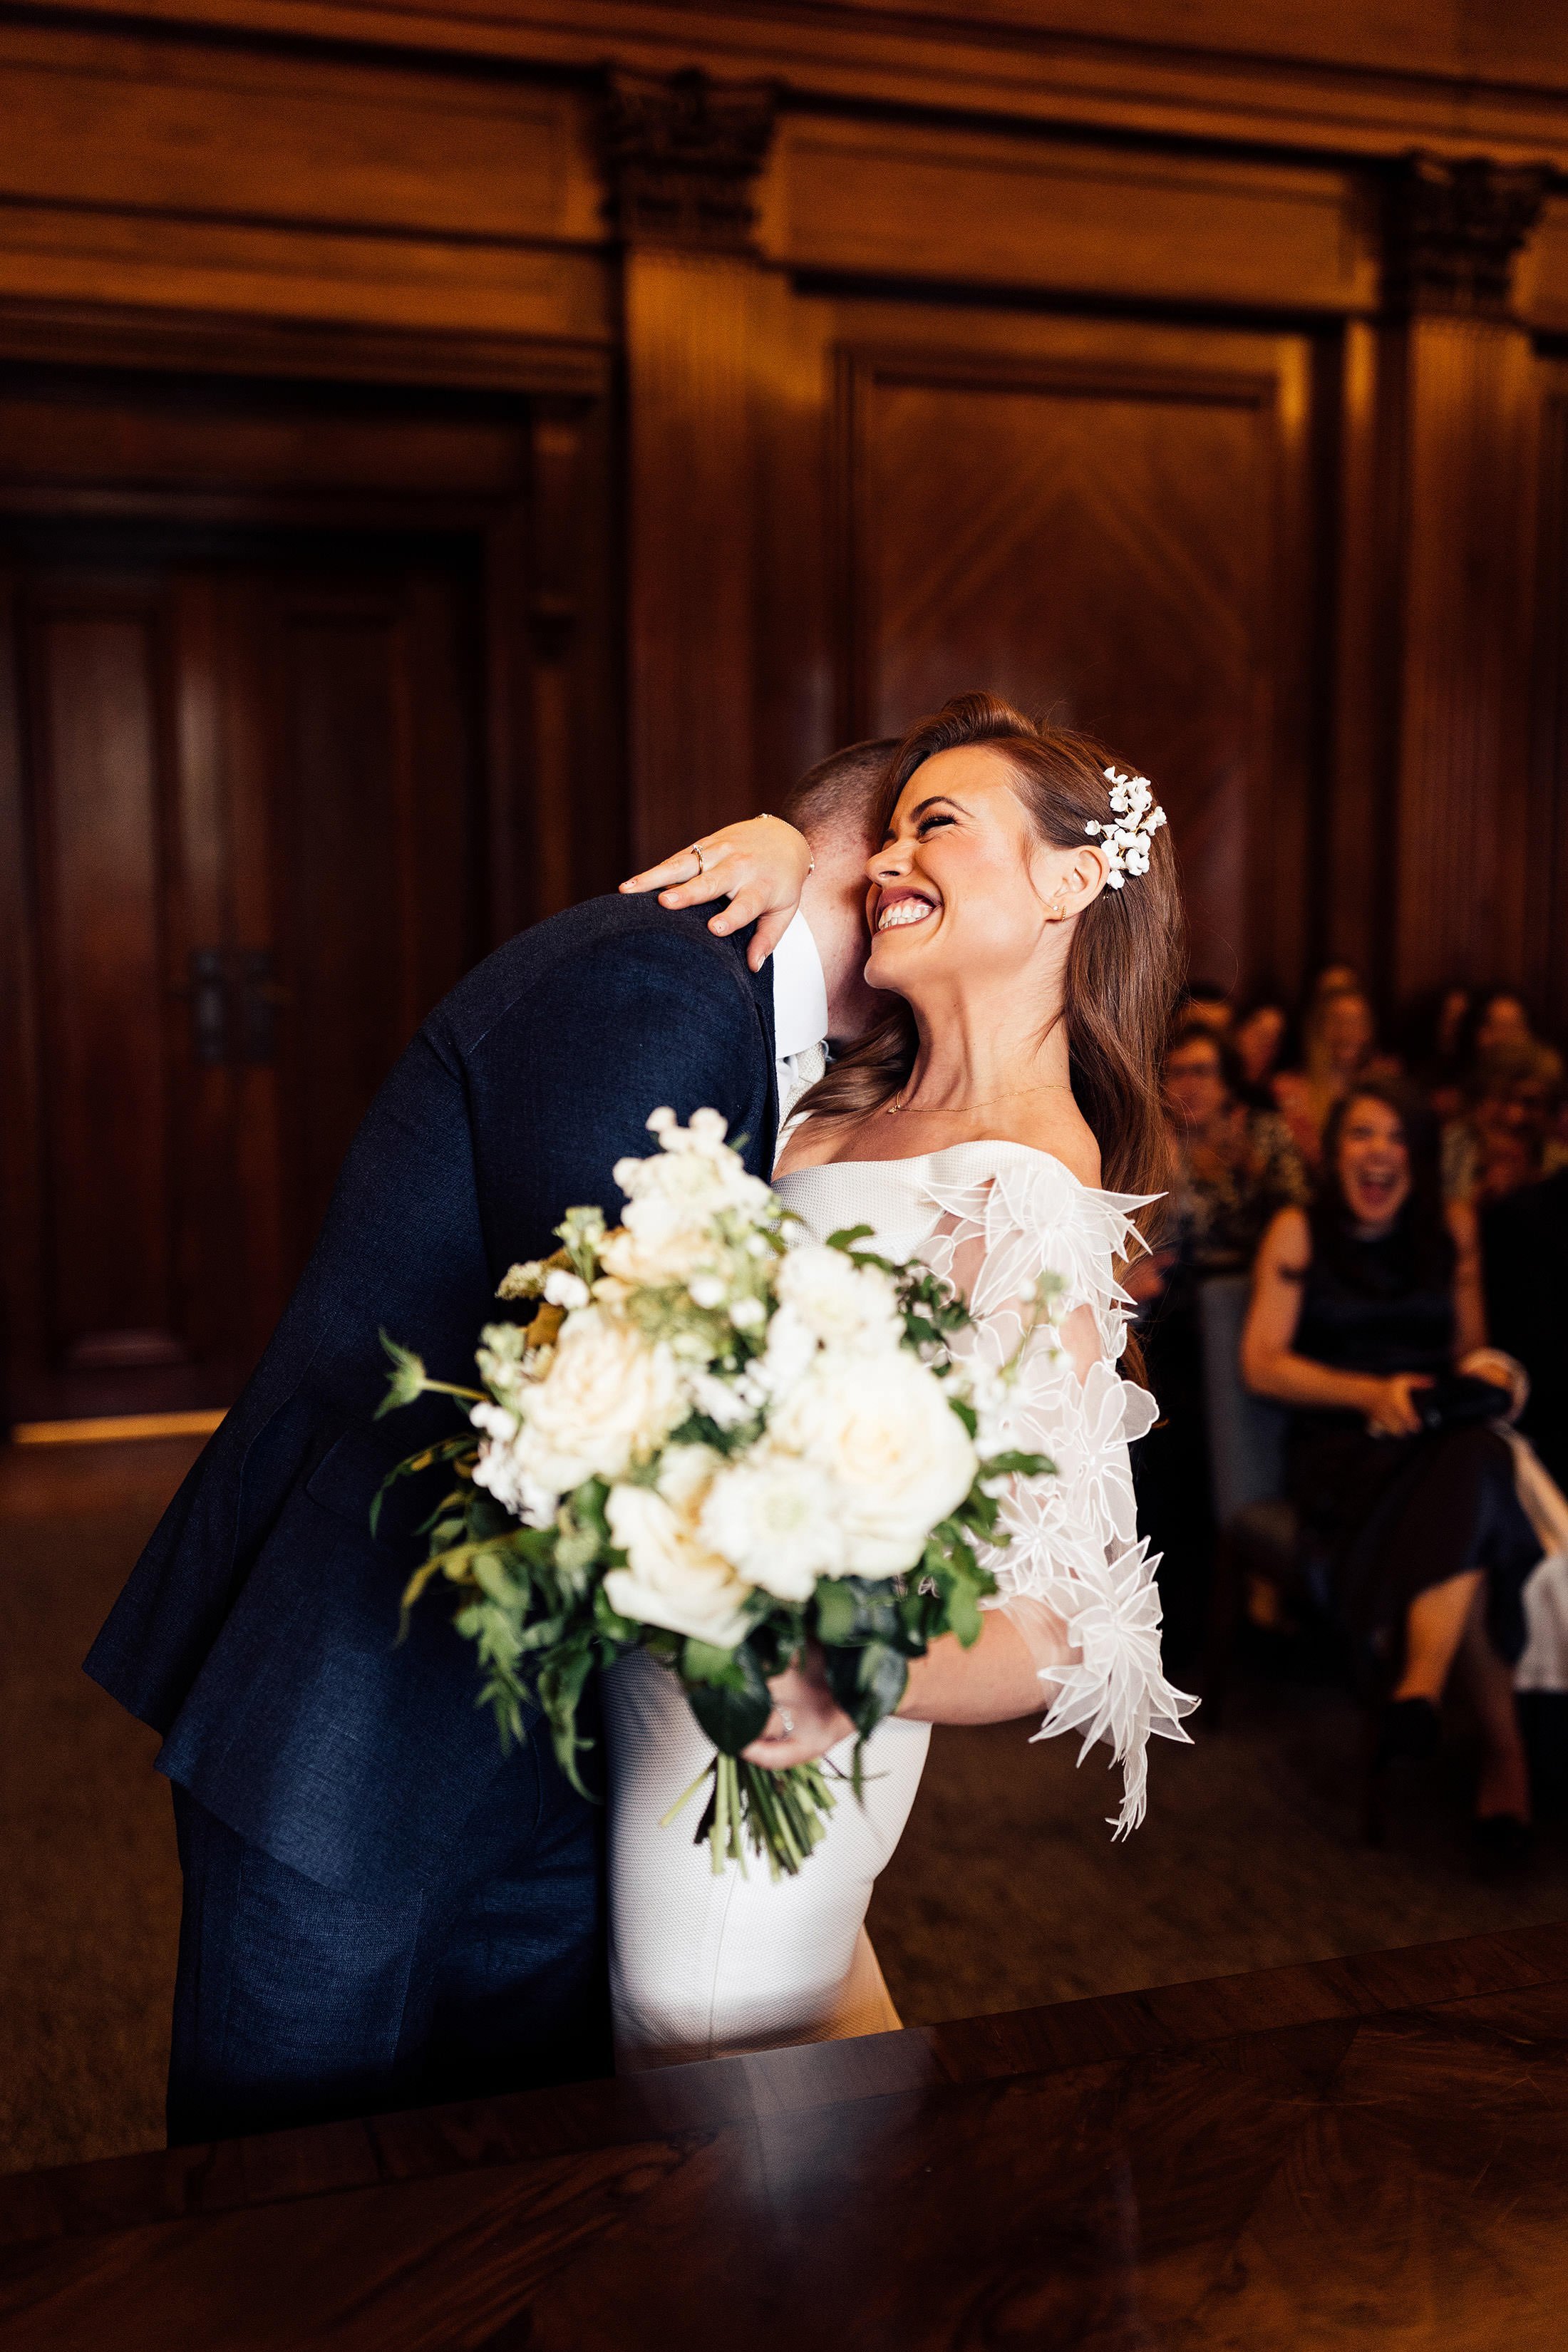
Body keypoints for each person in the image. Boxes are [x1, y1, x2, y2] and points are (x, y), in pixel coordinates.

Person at [83, 737, 894, 2143]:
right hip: (363, 1696)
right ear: (880, 868)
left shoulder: (764, 1034)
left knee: (499, 2186)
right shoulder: (664, 979)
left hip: (539, 1711)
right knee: (291, 2201)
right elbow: (613, 1362)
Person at [607, 692, 1195, 2067]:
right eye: (881, 837)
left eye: (937, 827)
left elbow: (1066, 1621)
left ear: (1071, 881)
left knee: (703, 2071)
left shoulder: (1034, 1193)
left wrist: (843, 1679)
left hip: (772, 1740)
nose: (883, 862)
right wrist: (779, 847)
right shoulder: (829, 1106)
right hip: (635, 1686)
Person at [1242, 1078, 1540, 1856]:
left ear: (1419, 1156)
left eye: (1396, 1138)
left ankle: (1418, 1689)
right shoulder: (1298, 1232)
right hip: (1342, 1448)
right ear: (1335, 1152)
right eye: (1361, 1136)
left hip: (1437, 1436)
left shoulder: (1451, 1228)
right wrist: (1370, 1392)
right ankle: (1503, 1761)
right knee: (1474, 1504)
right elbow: (1262, 1364)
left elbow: (1464, 1351)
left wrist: (1490, 1378)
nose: (1378, 1154)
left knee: (1470, 1463)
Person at [1138, 1019, 1309, 1673]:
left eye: (1204, 1071)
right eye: (1178, 1072)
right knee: (1166, 1448)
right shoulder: (1152, 1137)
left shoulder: (1258, 1135)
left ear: (1228, 1080)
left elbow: (1304, 1218)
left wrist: (1250, 1169)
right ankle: (1168, 1631)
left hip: (1256, 1312)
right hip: (1173, 1320)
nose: (1191, 1086)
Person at [1272, 984, 1377, 1170]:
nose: (1346, 1032)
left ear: (1368, 1031)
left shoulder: (1379, 1092)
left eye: (1355, 1022)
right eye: (1337, 1022)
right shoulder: (1287, 1090)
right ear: (1319, 1028)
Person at [1232, 994, 1292, 1096]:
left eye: (1274, 1040)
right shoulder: (1217, 1087)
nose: (1265, 1046)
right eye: (1260, 1034)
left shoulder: (1277, 1096)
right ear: (1239, 1031)